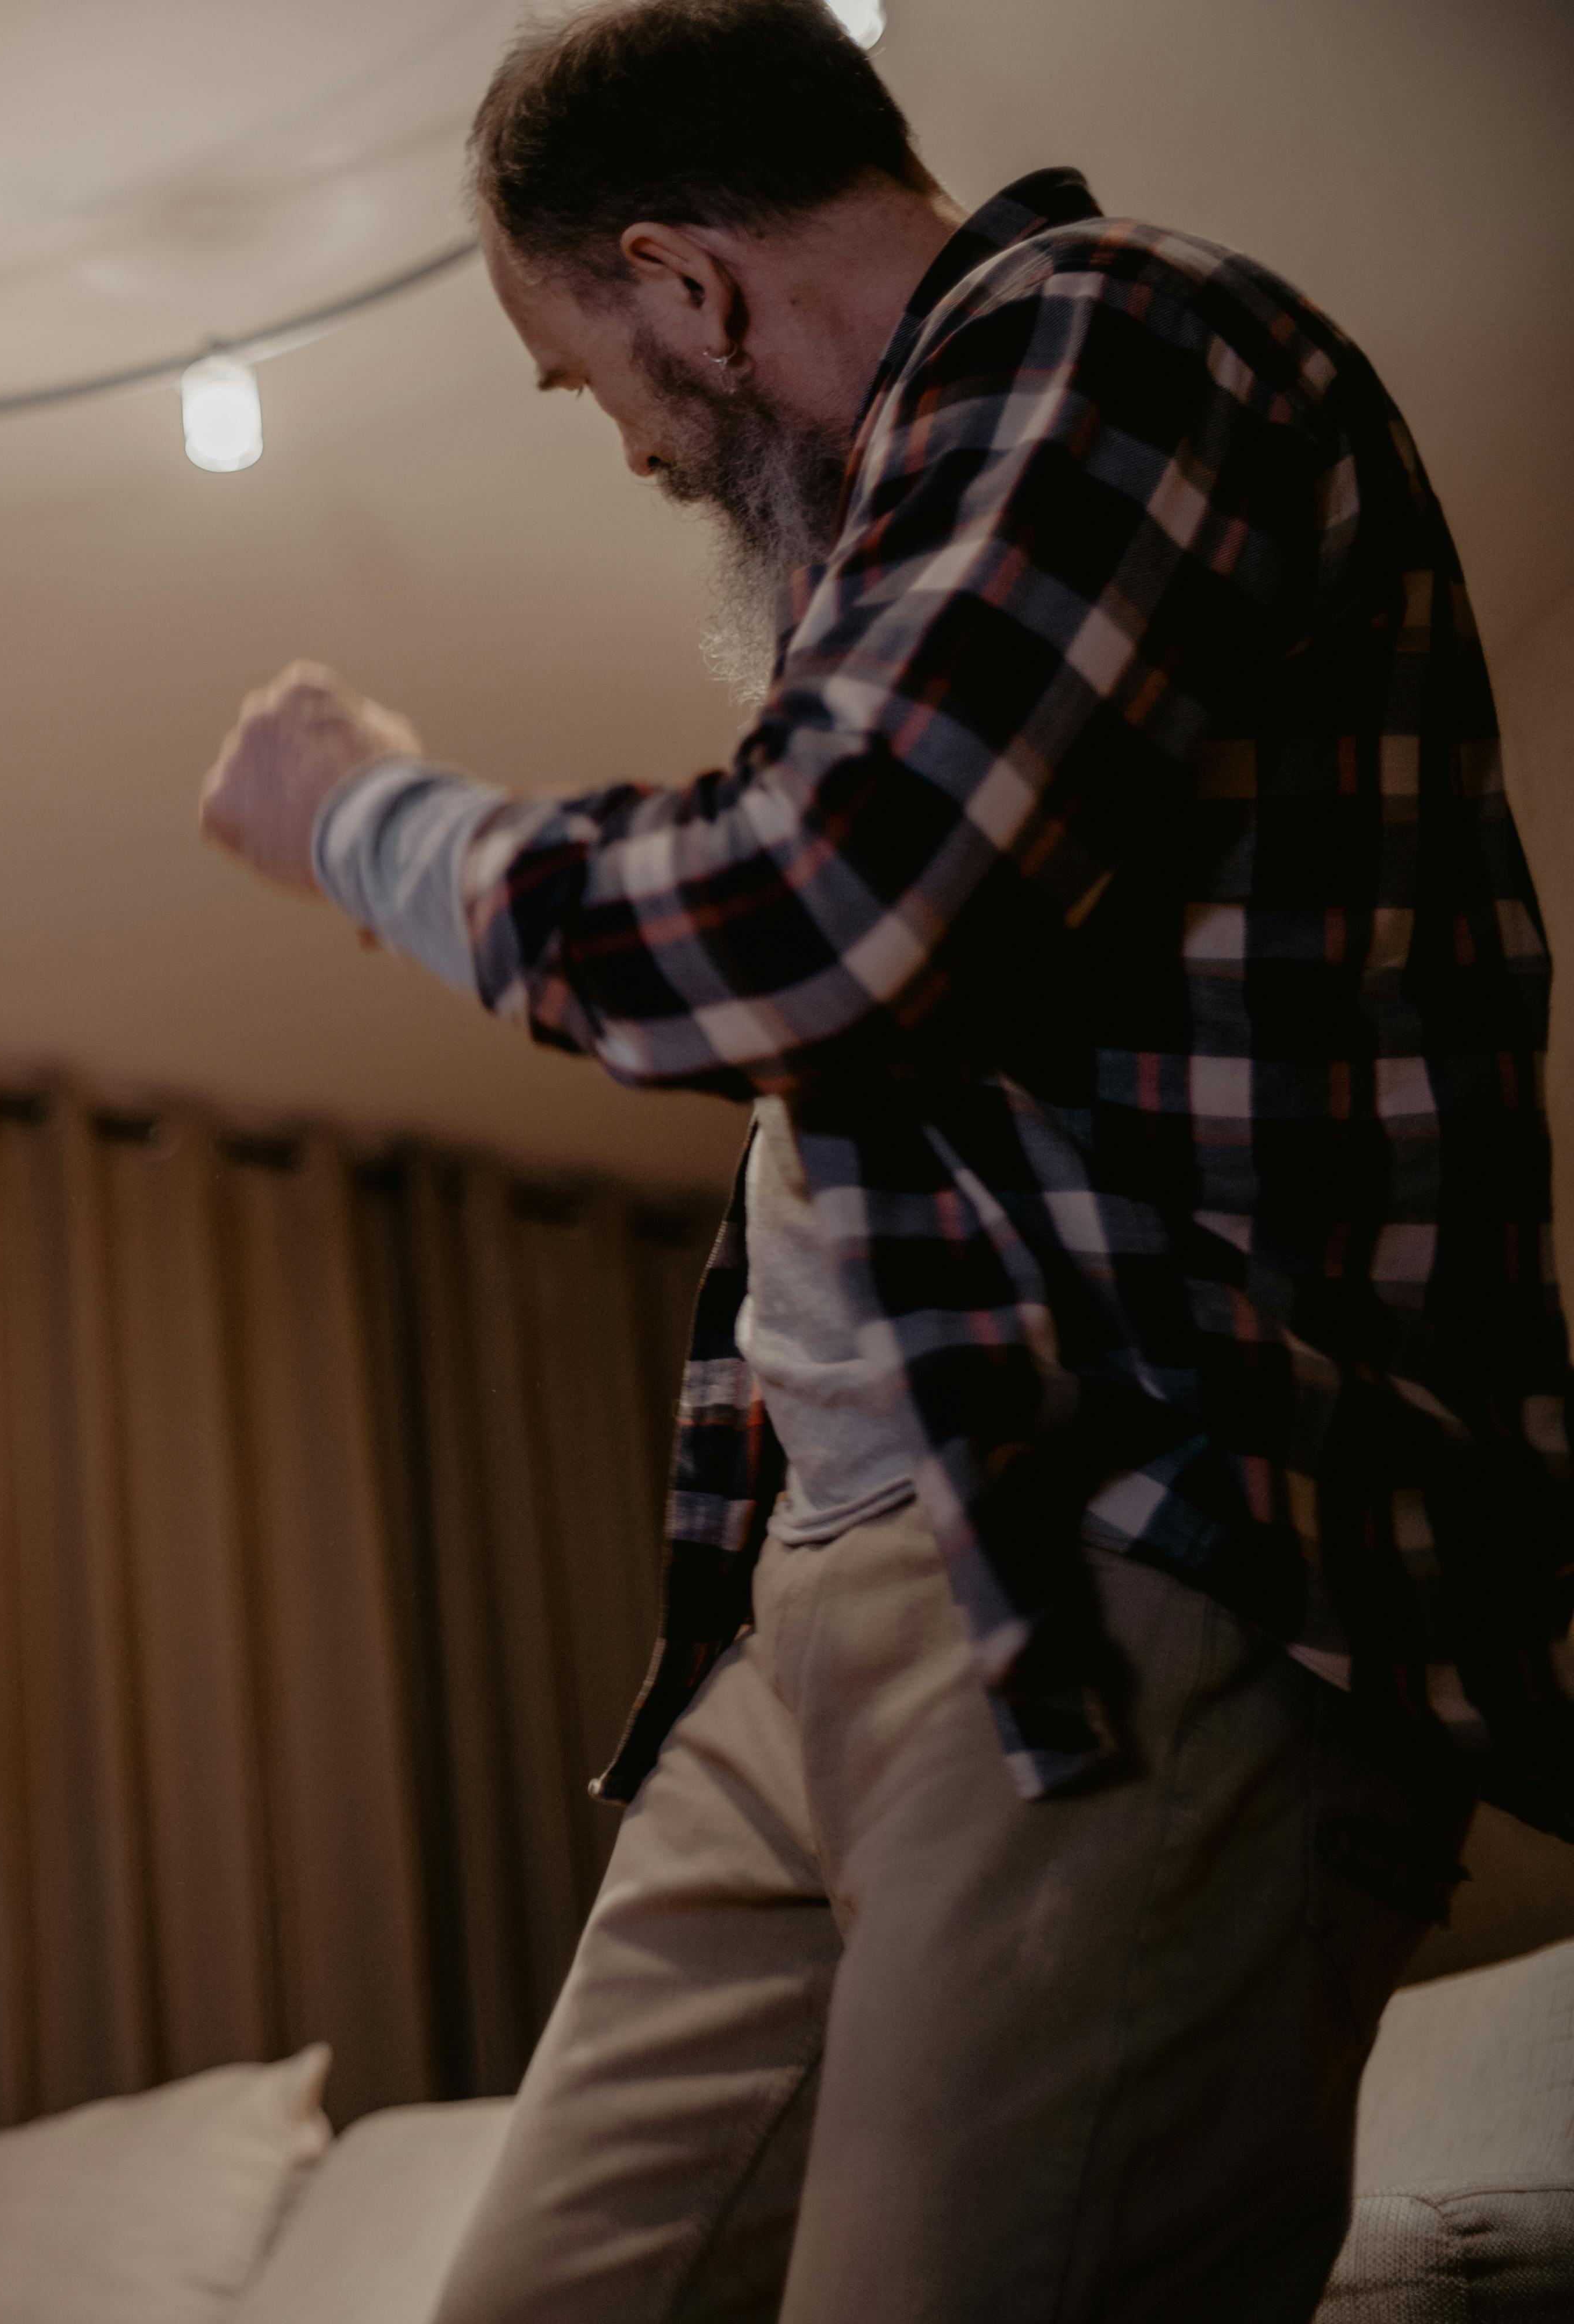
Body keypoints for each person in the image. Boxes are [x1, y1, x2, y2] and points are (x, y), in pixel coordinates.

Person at [197, 2, 1569, 2316]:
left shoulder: (1115, 339)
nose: (628, 443)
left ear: (685, 285)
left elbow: (819, 910)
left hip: (1125, 1546)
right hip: (806, 1602)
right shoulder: (926, 528)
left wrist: (357, 814)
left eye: (591, 375)